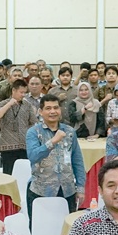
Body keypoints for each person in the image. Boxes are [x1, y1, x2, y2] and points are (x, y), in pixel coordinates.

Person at [24, 92, 85, 222]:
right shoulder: (33, 132)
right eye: (48, 108)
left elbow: (77, 160)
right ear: (40, 111)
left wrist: (80, 188)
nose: (53, 111)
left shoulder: (69, 131)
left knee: (66, 230)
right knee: (40, 230)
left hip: (67, 189)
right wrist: (53, 141)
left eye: (56, 108)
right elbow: (33, 156)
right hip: (41, 190)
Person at [0, 74, 39, 175]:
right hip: (7, 146)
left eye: (25, 93)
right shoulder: (2, 104)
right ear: (14, 91)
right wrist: (9, 104)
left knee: (23, 175)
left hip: (24, 145)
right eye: (21, 92)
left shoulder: (27, 105)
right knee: (8, 174)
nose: (23, 95)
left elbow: (34, 123)